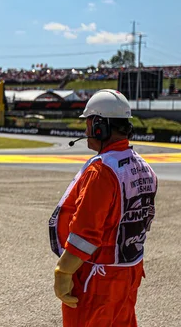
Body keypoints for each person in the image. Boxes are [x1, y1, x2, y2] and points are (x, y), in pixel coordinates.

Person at [49, 89, 158, 326]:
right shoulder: (145, 167)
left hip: (98, 279)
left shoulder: (102, 171)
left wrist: (64, 271)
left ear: (100, 126)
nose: (86, 131)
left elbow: (85, 233)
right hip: (129, 270)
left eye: (88, 124)